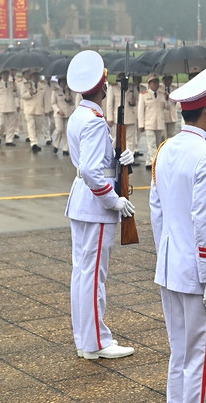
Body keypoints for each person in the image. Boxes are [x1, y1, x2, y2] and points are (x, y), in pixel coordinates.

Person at [149, 64, 206, 402]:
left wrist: (167, 255)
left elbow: (157, 212)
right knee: (203, 361)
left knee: (181, 355)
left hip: (171, 268)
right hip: (199, 275)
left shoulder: (165, 149)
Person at [65, 50, 136, 360]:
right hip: (95, 206)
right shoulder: (94, 121)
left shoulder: (79, 115)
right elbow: (94, 172)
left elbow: (94, 164)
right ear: (103, 86)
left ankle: (86, 339)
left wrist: (121, 159)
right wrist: (114, 200)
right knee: (93, 277)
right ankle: (96, 343)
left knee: (83, 274)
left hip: (81, 201)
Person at [106, 73, 141, 163]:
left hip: (130, 116)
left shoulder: (131, 87)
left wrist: (134, 100)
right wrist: (109, 117)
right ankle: (111, 157)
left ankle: (129, 159)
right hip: (117, 117)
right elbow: (109, 104)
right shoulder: (113, 88)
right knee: (115, 139)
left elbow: (138, 98)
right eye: (121, 78)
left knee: (130, 140)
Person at [138, 73, 167, 170]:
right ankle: (155, 164)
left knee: (158, 144)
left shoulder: (162, 94)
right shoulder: (144, 95)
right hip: (149, 123)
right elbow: (140, 111)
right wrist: (141, 124)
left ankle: (148, 162)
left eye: (157, 82)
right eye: (153, 82)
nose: (155, 84)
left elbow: (167, 108)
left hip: (159, 123)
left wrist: (167, 99)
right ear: (149, 84)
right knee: (152, 144)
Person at [19, 69, 48, 152]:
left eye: (37, 76)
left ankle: (36, 142)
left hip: (39, 110)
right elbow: (22, 96)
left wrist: (46, 110)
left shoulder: (42, 86)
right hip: (29, 109)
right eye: (34, 76)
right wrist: (29, 93)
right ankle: (33, 143)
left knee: (38, 128)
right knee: (31, 126)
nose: (36, 77)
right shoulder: (25, 85)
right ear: (31, 77)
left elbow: (45, 99)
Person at [50, 75, 76, 155]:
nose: (64, 83)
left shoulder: (69, 91)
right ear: (59, 82)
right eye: (63, 82)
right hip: (59, 114)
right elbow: (53, 103)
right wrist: (58, 110)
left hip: (68, 114)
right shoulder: (56, 91)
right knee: (59, 130)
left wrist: (71, 100)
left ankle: (65, 149)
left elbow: (74, 103)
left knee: (67, 132)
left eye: (65, 82)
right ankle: (56, 145)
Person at [0, 67, 19, 146]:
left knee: (11, 124)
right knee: (1, 124)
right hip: (2, 107)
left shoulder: (12, 84)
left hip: (11, 106)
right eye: (4, 75)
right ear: (1, 75)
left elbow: (17, 95)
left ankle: (9, 140)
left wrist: (15, 90)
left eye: (7, 75)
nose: (5, 76)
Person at [162, 74, 179, 138]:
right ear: (163, 80)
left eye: (170, 79)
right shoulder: (160, 89)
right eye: (167, 79)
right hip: (164, 115)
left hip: (172, 115)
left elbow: (178, 103)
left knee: (171, 135)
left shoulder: (175, 89)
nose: (168, 81)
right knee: (163, 136)